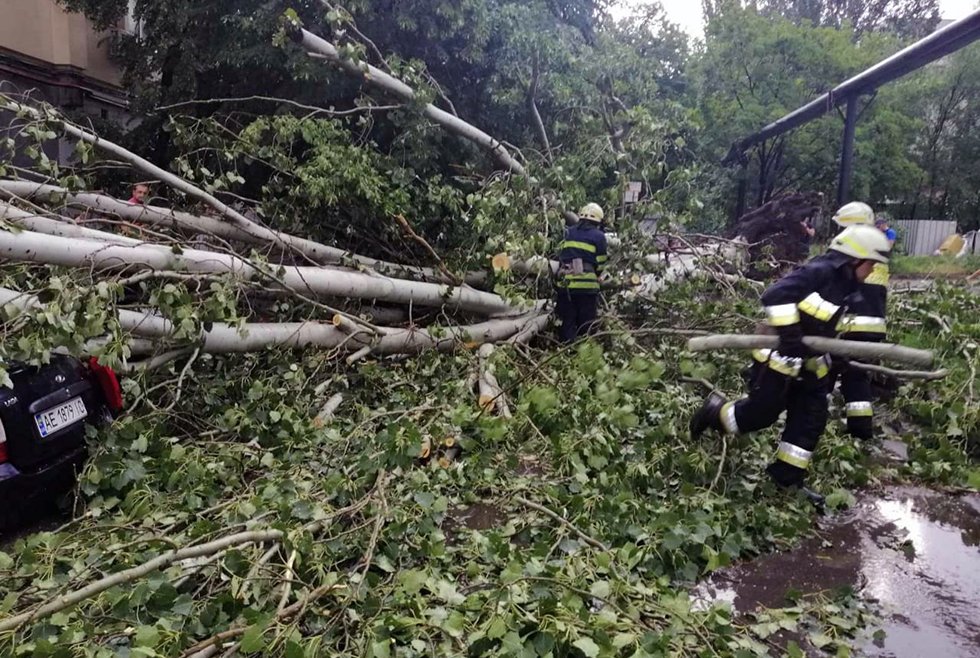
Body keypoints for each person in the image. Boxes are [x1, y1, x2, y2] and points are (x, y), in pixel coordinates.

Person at [689, 225, 892, 503]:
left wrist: (839, 355)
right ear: (854, 260)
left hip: (813, 364)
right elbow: (776, 295)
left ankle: (786, 480)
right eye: (870, 264)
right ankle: (714, 412)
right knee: (761, 415)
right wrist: (791, 336)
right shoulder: (819, 272)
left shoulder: (849, 285)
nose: (872, 271)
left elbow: (830, 323)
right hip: (779, 361)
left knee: (810, 420)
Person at [830, 204, 891, 440]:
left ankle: (818, 422)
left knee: (824, 373)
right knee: (857, 377)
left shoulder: (853, 252)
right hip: (873, 328)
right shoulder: (877, 251)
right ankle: (861, 430)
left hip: (849, 326)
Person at [555, 202, 608, 343]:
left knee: (567, 322)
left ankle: (566, 350)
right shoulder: (599, 236)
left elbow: (560, 255)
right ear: (598, 221)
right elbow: (601, 261)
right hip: (587, 287)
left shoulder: (567, 232)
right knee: (586, 324)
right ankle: (584, 349)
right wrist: (599, 275)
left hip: (566, 285)